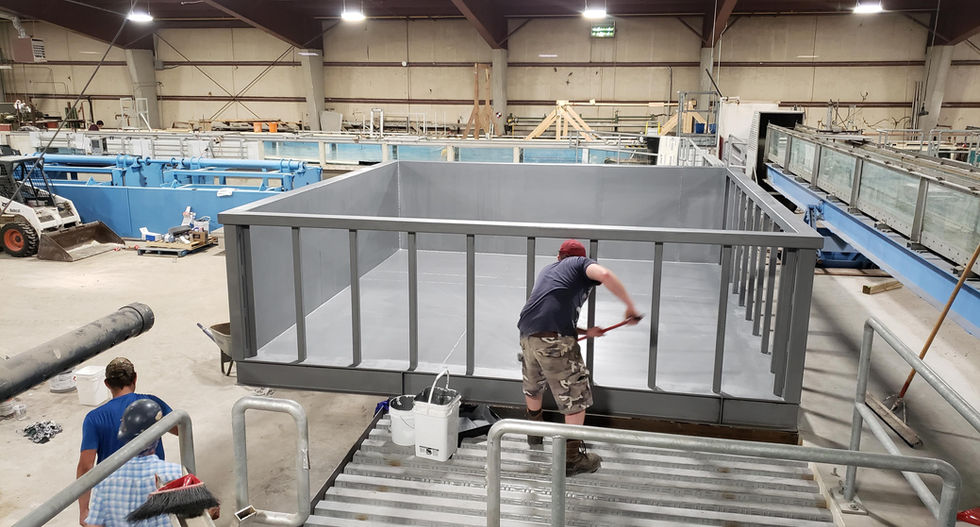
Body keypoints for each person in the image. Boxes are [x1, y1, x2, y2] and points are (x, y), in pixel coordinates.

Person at [517, 239, 641, 476]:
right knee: (575, 395)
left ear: (558, 257)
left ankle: (534, 434)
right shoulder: (578, 263)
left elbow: (548, 313)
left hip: (528, 333)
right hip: (553, 339)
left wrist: (586, 332)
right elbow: (604, 274)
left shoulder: (549, 271)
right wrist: (629, 306)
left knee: (534, 385)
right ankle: (571, 459)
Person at [84, 399, 218, 526]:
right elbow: (207, 514)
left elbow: (93, 525)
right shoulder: (176, 474)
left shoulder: (105, 481)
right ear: (157, 435)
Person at [77, 358, 175, 526]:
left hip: (114, 493)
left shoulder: (94, 418)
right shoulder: (151, 404)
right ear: (135, 378)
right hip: (152, 485)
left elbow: (86, 466)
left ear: (107, 384)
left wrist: (84, 510)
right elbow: (181, 428)